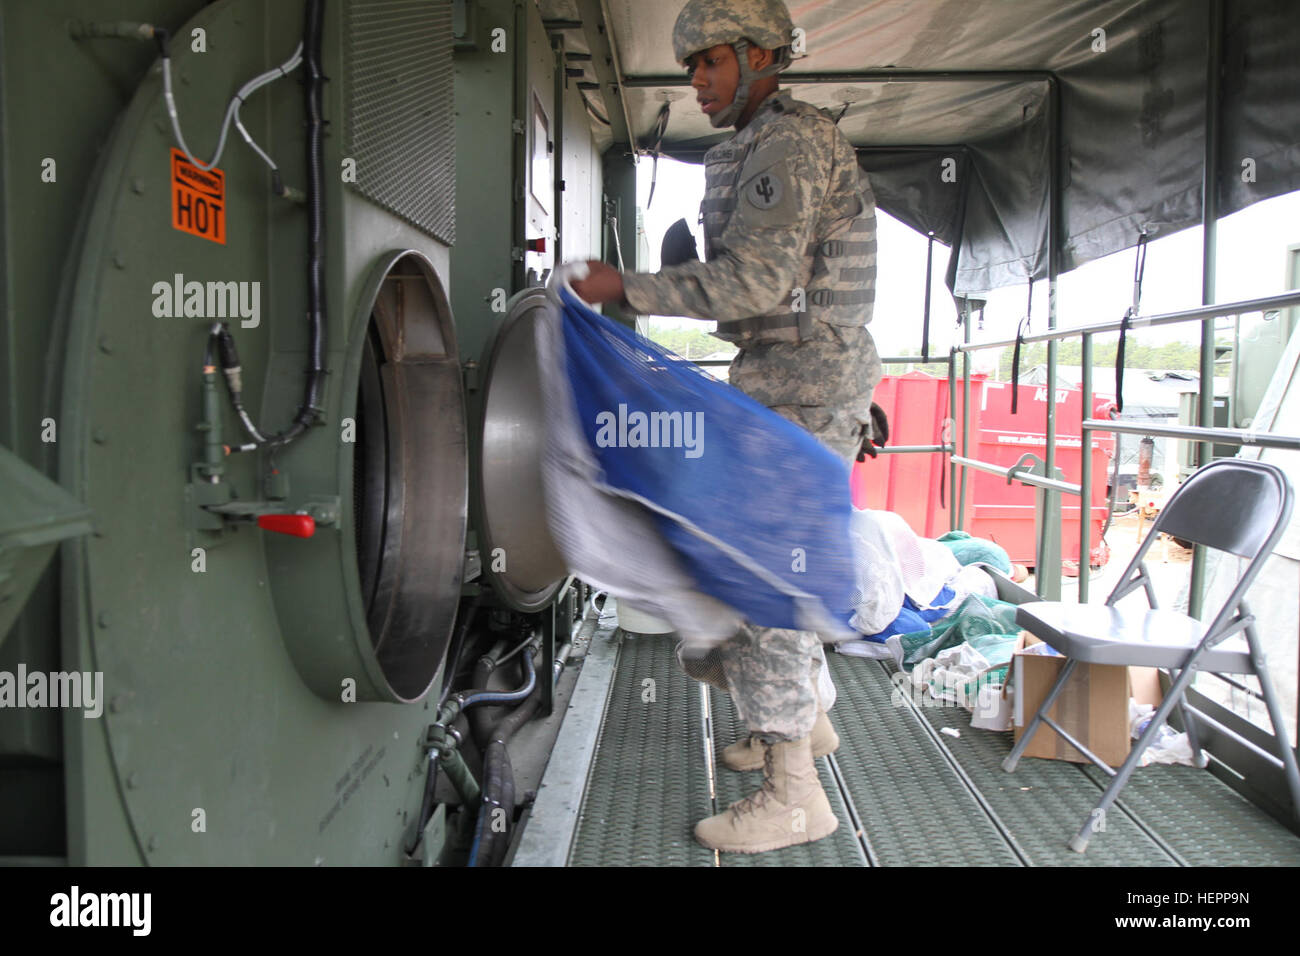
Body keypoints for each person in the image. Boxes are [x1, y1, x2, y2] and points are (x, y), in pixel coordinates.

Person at [570, 0, 882, 854]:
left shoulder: (788, 139)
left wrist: (623, 287)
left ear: (757, 55)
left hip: (805, 382)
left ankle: (794, 795)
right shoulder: (753, 144)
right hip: (785, 379)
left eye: (709, 63)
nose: (697, 83)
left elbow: (754, 281)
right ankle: (800, 724)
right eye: (690, 68)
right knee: (761, 559)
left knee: (767, 578)